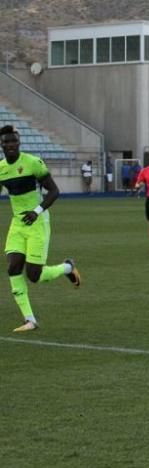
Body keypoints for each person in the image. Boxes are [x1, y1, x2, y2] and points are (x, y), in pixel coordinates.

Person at [0, 125, 81, 332]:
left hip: (37, 222)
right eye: (6, 141)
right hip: (18, 224)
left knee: (34, 276)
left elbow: (54, 191)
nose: (10, 145)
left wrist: (36, 211)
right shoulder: (1, 168)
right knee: (13, 267)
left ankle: (67, 268)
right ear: (1, 144)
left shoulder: (33, 163)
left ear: (19, 143)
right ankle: (30, 320)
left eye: (13, 141)